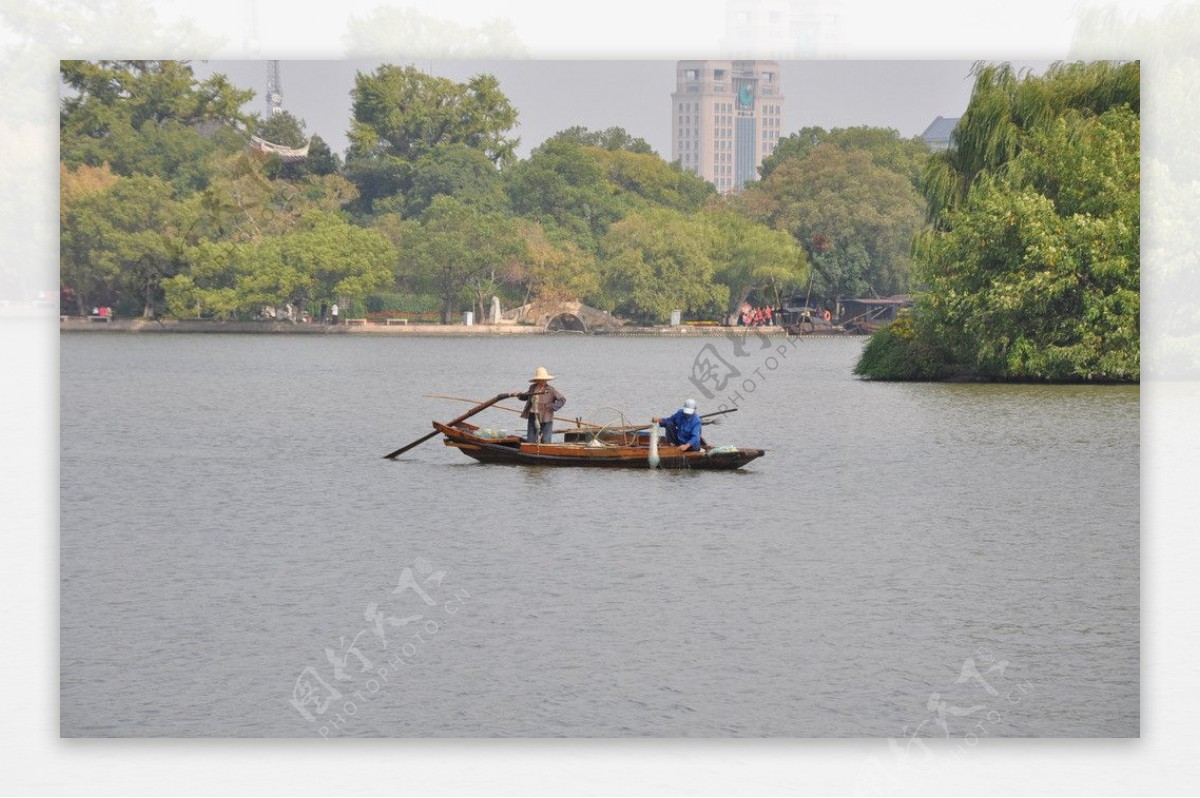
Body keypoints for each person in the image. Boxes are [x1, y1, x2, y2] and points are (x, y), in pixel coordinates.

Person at [510, 366, 565, 443]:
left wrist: (552, 406)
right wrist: (518, 394)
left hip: (546, 417)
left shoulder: (551, 390)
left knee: (546, 441)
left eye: (544, 379)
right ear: (537, 380)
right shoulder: (532, 387)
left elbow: (562, 400)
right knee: (531, 440)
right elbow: (526, 396)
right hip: (533, 416)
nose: (542, 381)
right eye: (541, 379)